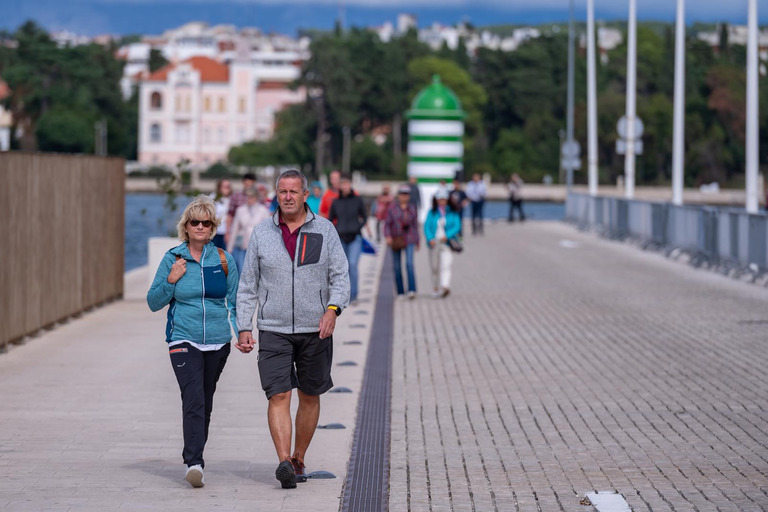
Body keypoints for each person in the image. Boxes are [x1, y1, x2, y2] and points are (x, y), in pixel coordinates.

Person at [235, 169, 350, 490]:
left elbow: (340, 276)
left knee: (310, 394)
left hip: (317, 328)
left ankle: (299, 457)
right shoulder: (261, 233)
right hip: (273, 328)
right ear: (276, 194)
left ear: (305, 195)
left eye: (293, 191)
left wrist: (333, 310)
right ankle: (284, 461)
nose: (287, 196)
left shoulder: (324, 231)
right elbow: (247, 285)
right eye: (282, 191)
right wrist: (244, 326)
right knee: (279, 393)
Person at [146, 195, 238, 488]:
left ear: (213, 227)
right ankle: (194, 462)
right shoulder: (173, 258)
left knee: (205, 401)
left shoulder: (223, 259)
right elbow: (153, 302)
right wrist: (171, 280)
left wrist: (243, 332)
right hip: (183, 339)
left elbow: (235, 301)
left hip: (217, 342)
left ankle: (196, 455)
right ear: (186, 227)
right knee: (194, 399)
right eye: (194, 222)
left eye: (206, 222)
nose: (200, 226)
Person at [329, 174, 367, 305]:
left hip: (355, 236)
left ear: (350, 185)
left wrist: (358, 227)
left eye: (347, 184)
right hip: (341, 237)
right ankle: (343, 294)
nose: (345, 186)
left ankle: (354, 295)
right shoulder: (336, 202)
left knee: (353, 264)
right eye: (342, 184)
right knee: (342, 268)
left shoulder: (357, 200)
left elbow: (365, 216)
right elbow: (330, 220)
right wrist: (335, 230)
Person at [384, 185, 420, 299]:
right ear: (398, 195)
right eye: (402, 194)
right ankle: (400, 291)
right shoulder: (392, 207)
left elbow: (415, 225)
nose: (404, 196)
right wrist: (388, 236)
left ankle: (412, 290)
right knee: (397, 266)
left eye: (406, 194)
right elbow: (387, 224)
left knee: (409, 264)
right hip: (396, 238)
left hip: (409, 238)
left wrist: (418, 241)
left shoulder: (412, 208)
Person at [424, 190, 461, 299]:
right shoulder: (432, 212)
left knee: (446, 265)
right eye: (440, 199)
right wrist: (430, 238)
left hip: (446, 242)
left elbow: (457, 225)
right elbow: (426, 226)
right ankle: (435, 288)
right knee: (434, 267)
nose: (442, 201)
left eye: (444, 199)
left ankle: (445, 286)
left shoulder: (452, 212)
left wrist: (448, 235)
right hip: (434, 242)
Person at [227, 186, 270, 272]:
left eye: (252, 196)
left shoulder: (263, 211)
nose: (249, 199)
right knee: (241, 269)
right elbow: (234, 230)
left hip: (257, 246)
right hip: (242, 245)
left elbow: (267, 230)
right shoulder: (240, 210)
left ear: (256, 197)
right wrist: (229, 248)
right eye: (248, 196)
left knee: (255, 270)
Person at [226, 172, 257, 247]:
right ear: (243, 183)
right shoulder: (236, 196)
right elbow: (230, 214)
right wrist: (228, 232)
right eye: (247, 185)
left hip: (254, 233)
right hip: (238, 233)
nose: (248, 187)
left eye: (251, 185)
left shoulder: (259, 197)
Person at [211, 179, 232, 249]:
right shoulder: (213, 197)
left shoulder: (231, 199)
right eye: (224, 187)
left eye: (228, 187)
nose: (226, 189)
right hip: (215, 231)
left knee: (224, 255)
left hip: (226, 231)